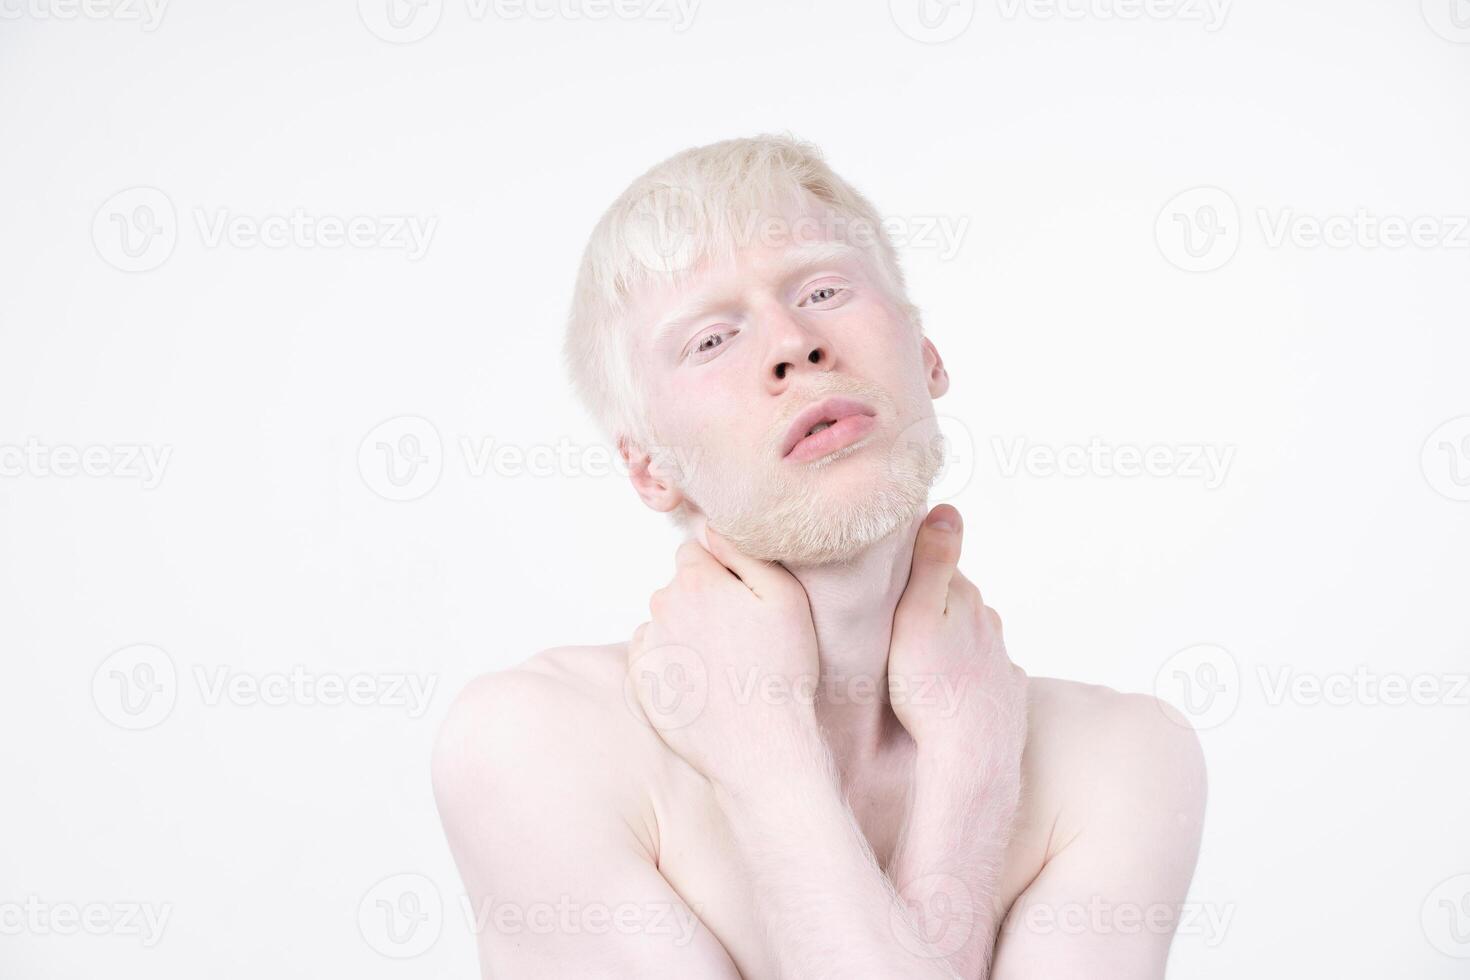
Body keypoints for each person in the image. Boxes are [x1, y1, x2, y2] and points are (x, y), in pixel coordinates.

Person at [432, 133, 1207, 979]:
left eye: (825, 288)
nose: (793, 344)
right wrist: (768, 751)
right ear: (649, 467)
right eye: (709, 340)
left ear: (927, 355)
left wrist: (972, 766)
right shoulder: (532, 746)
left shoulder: (1127, 757)